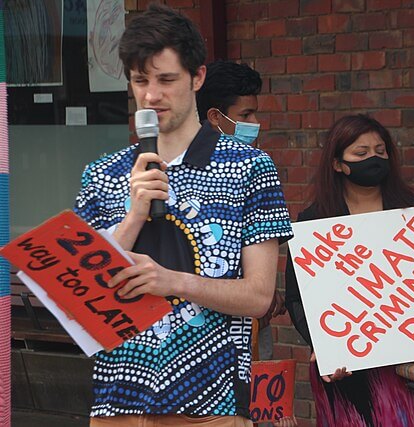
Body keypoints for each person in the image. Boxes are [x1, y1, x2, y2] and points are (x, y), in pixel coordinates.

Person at [74, 5, 293, 426]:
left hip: (210, 405)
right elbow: (82, 293)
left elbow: (258, 296)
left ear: (197, 77)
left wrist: (171, 280)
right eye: (141, 81)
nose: (151, 95)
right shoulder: (103, 173)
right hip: (116, 402)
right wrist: (133, 217)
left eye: (166, 80)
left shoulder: (249, 167)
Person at [284, 114, 414, 427]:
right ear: (337, 163)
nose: (374, 159)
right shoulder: (314, 223)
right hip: (351, 378)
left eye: (380, 151)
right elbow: (297, 298)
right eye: (361, 153)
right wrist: (324, 347)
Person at [196, 60, 296, 427]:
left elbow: (259, 275)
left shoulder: (255, 168)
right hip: (199, 348)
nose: (256, 123)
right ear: (214, 117)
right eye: (247, 113)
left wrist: (265, 285)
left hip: (252, 332)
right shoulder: (166, 173)